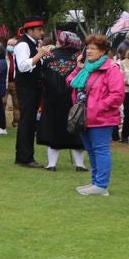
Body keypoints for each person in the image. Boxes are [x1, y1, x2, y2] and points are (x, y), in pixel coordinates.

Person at [68, 34, 125, 196]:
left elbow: (117, 95)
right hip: (84, 117)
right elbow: (70, 81)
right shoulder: (87, 68)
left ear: (103, 51)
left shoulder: (111, 69)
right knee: (91, 151)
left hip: (101, 118)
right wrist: (78, 68)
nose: (89, 51)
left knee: (100, 150)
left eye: (93, 48)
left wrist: (97, 107)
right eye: (88, 48)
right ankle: (95, 183)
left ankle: (101, 185)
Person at [37, 31, 86, 172]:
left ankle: (51, 164)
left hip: (52, 100)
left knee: (53, 130)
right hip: (74, 100)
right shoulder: (80, 58)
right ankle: (80, 165)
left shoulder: (49, 57)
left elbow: (42, 78)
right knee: (76, 130)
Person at [13, 18, 48, 166]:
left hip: (32, 86)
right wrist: (39, 55)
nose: (42, 32)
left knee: (28, 121)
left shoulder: (32, 44)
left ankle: (24, 156)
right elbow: (22, 66)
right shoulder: (22, 45)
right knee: (27, 122)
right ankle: (25, 157)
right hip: (26, 87)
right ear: (30, 30)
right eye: (39, 29)